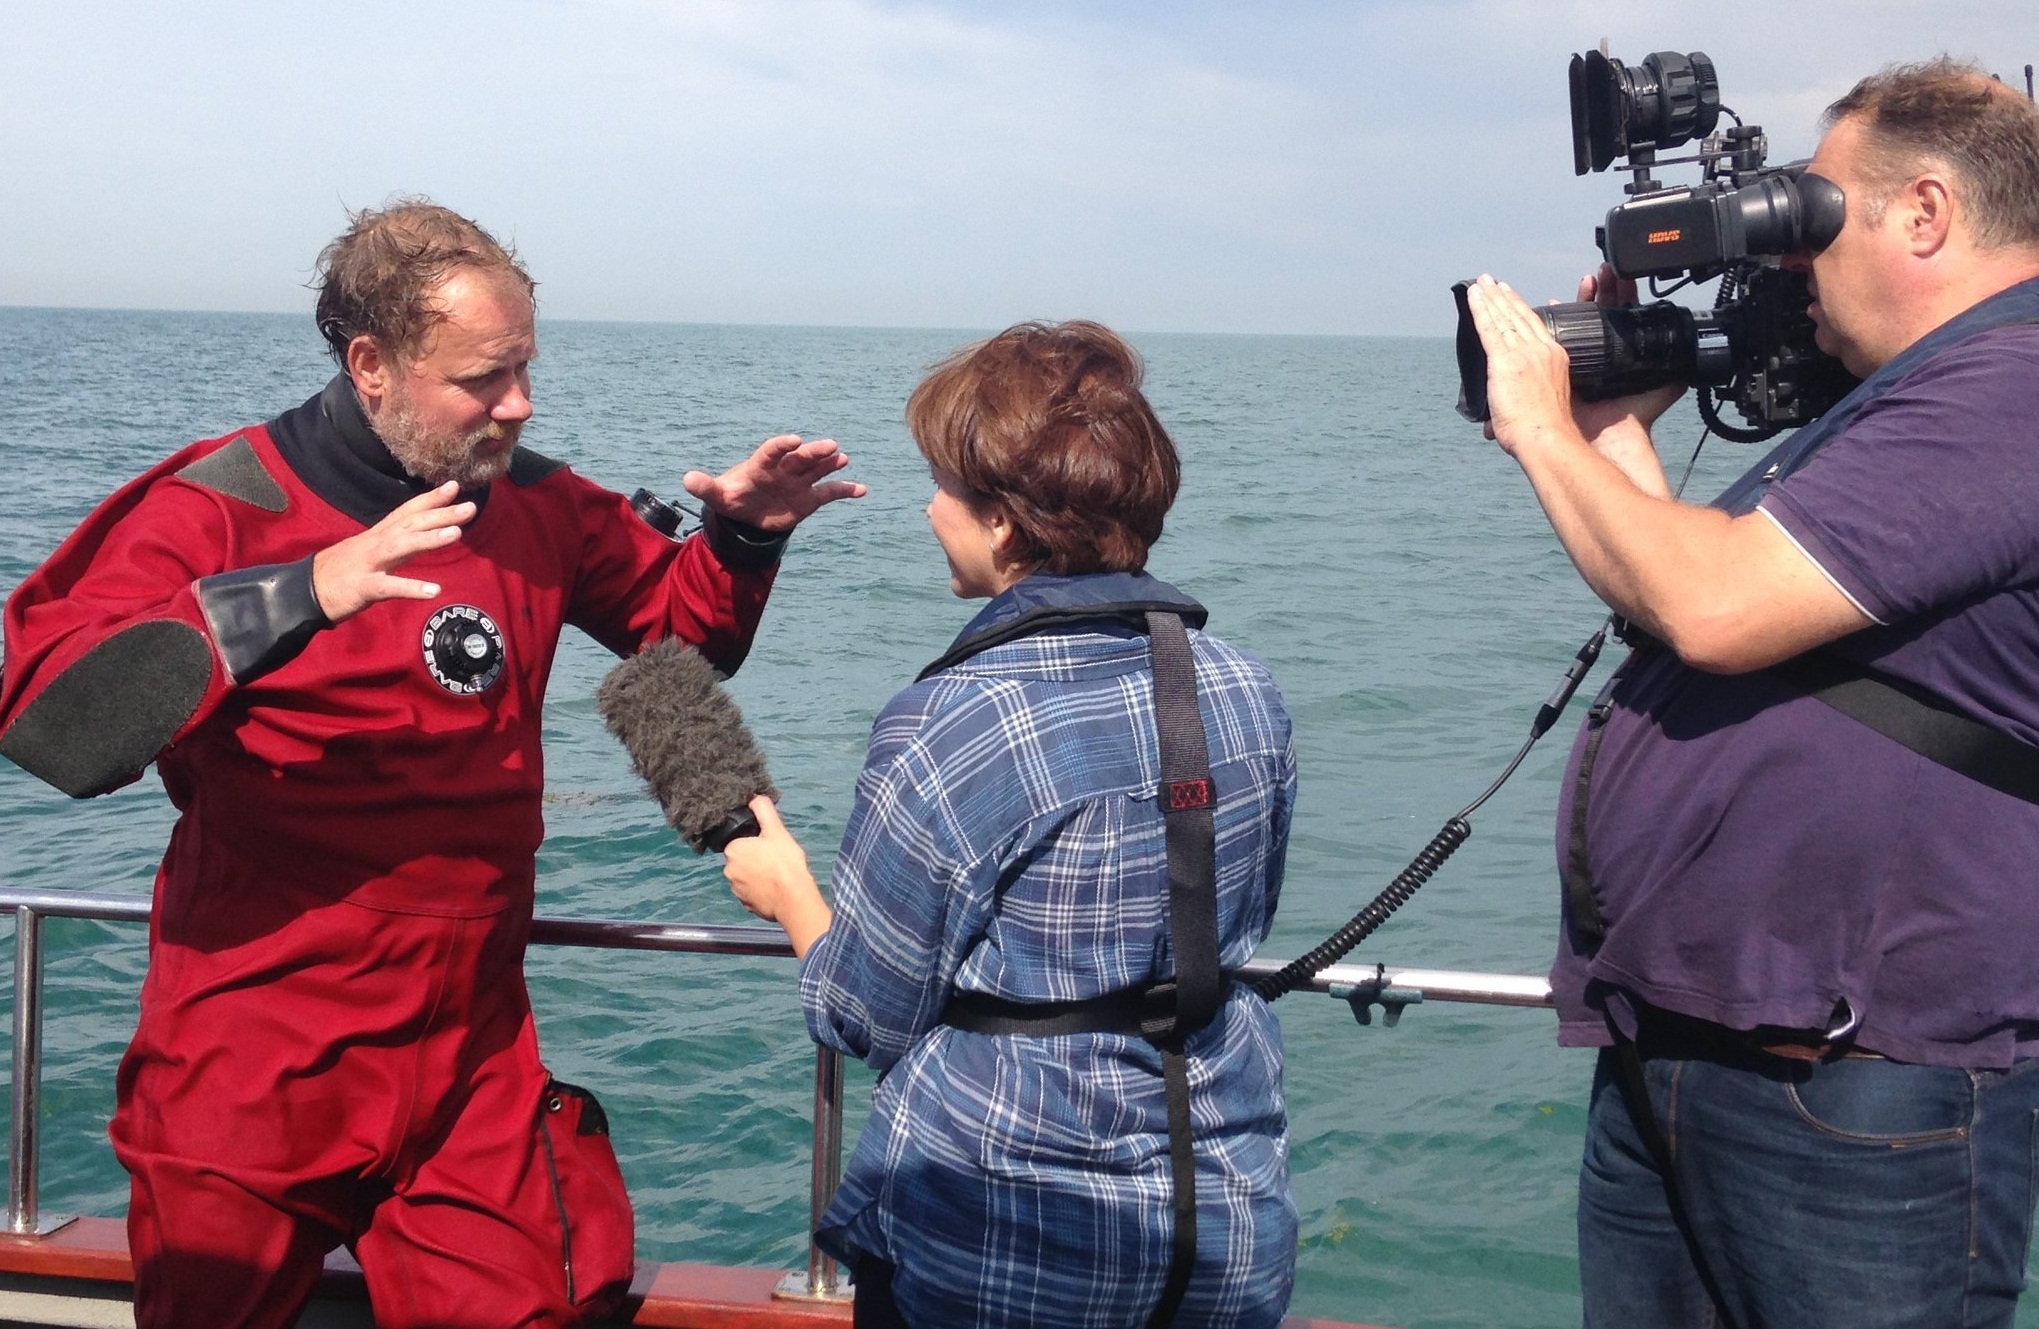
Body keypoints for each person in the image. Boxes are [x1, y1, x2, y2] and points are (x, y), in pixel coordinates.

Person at [0, 199, 864, 1329]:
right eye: (483, 379)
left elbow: (678, 637)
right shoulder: (220, 502)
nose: (519, 403)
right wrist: (300, 593)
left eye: (523, 370)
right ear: (372, 363)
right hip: (254, 1042)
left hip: (472, 1052)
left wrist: (743, 538)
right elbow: (53, 726)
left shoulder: (536, 501)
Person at [1464, 60, 2039, 1329]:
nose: (1789, 257)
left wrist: (1539, 424)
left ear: (1925, 214)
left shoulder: (2009, 392)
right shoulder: (1898, 406)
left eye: (1814, 212)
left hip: (1853, 1084)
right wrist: (1614, 429)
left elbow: (1712, 609)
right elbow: (1712, 598)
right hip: (1699, 1042)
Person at [719, 320, 1297, 1327]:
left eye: (944, 485)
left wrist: (789, 892)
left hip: (1006, 1244)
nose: (930, 507)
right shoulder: (1242, 687)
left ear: (1001, 524)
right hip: (1222, 1229)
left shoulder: (955, 719)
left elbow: (863, 1011)